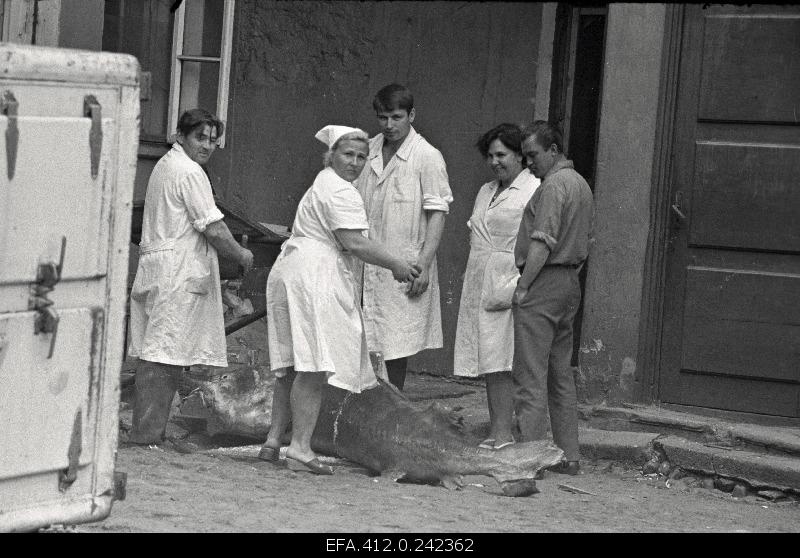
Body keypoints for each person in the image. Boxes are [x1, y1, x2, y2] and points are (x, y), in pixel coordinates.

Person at [259, 125, 420, 475]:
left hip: (292, 268)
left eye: (362, 157)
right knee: (313, 365)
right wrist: (397, 264)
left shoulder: (322, 182)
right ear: (331, 155)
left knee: (290, 366)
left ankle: (273, 440)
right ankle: (299, 447)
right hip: (313, 274)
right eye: (348, 154)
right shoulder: (340, 191)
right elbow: (355, 242)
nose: (356, 162)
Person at [127, 108, 254, 445]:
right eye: (201, 137)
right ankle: (147, 433)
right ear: (181, 136)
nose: (208, 146)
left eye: (213, 140)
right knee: (164, 354)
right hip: (176, 273)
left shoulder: (166, 166)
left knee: (159, 351)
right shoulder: (188, 171)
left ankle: (149, 429)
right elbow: (214, 228)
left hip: (162, 267)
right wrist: (241, 255)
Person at [355, 83, 453, 391]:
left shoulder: (426, 156)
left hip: (406, 263)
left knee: (394, 346)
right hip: (365, 261)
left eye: (397, 117)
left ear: (411, 115)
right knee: (360, 341)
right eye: (383, 118)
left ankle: (391, 415)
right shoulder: (367, 149)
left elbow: (437, 214)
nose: (389, 125)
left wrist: (423, 264)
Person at [512, 121, 594, 475]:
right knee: (560, 373)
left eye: (532, 155)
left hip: (544, 282)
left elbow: (542, 241)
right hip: (569, 283)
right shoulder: (580, 184)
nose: (528, 163)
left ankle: (531, 457)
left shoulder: (553, 187)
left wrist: (524, 285)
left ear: (553, 150)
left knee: (530, 374)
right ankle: (568, 455)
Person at [453, 123, 540, 450]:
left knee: (507, 358)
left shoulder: (533, 189)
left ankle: (509, 433)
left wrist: (522, 279)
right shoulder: (487, 190)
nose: (494, 161)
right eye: (489, 155)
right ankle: (498, 430)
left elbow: (537, 239)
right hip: (481, 275)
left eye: (501, 154)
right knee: (491, 358)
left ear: (520, 155)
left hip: (510, 276)